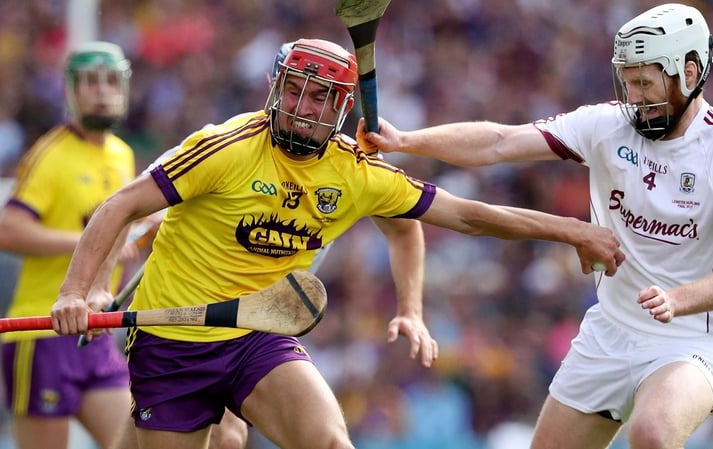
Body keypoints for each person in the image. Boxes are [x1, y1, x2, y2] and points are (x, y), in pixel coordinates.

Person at [50, 38, 622, 449]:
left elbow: (464, 217)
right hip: (173, 338)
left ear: (342, 108)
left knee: (327, 441)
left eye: (321, 98)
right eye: (295, 92)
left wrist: (567, 229)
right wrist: (75, 291)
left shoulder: (357, 170)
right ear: (275, 89)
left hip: (258, 331)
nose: (304, 108)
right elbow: (119, 207)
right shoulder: (224, 147)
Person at [357, 4, 713, 449]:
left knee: (652, 433)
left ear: (689, 73)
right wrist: (406, 141)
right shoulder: (607, 125)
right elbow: (500, 142)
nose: (633, 97)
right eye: (628, 82)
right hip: (610, 331)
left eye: (645, 84)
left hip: (693, 339)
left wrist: (679, 298)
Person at [0, 41, 134, 449]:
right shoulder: (52, 154)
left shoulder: (122, 155)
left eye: (110, 80)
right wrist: (90, 240)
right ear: (71, 90)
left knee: (138, 441)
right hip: (41, 332)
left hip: (95, 335)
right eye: (90, 82)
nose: (102, 91)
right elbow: (8, 229)